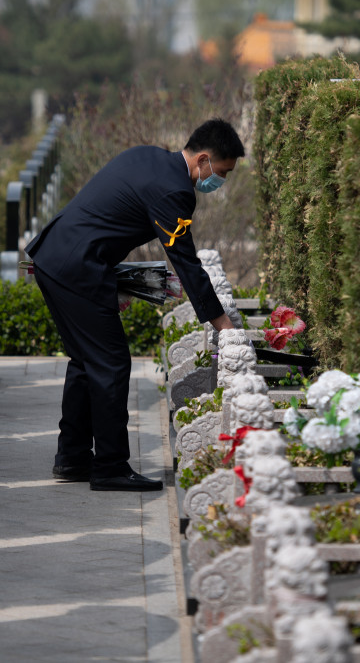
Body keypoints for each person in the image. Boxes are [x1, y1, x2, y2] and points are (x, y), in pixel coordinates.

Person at [26, 118, 245, 491]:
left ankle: (73, 458)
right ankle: (109, 466)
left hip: (58, 258)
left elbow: (106, 219)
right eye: (221, 172)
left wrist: (114, 283)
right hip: (79, 268)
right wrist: (221, 323)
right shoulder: (175, 191)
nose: (218, 182)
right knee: (111, 362)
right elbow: (186, 262)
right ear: (204, 159)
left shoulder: (147, 157)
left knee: (87, 360)